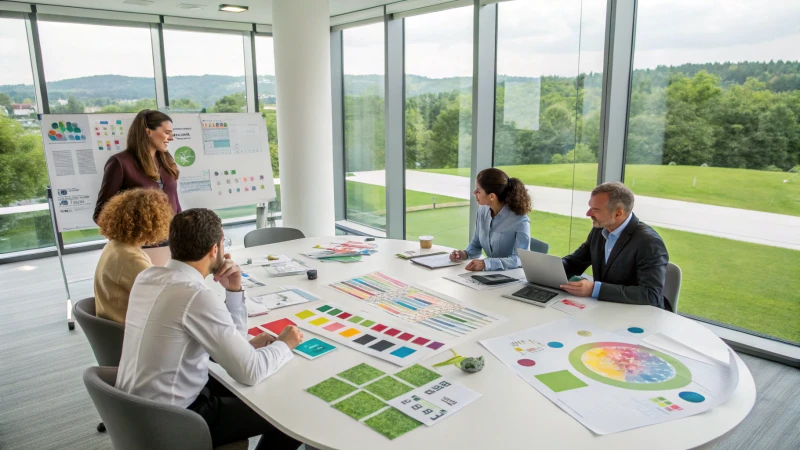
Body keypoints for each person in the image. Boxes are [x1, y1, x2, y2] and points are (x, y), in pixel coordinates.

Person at [116, 208, 304, 450]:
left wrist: (234, 290)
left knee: (249, 387)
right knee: (289, 413)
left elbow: (229, 343)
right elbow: (250, 371)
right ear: (216, 248)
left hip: (135, 411)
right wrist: (285, 343)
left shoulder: (148, 277)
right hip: (175, 421)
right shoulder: (195, 295)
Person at [560, 182, 670, 310]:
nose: (588, 213)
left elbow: (651, 295)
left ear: (618, 213)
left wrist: (594, 289)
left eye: (596, 210)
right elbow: (575, 262)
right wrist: (549, 268)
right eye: (590, 207)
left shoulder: (649, 242)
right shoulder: (599, 230)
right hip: (606, 309)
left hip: (639, 316)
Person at [93, 188, 173, 324]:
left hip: (113, 325)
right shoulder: (130, 259)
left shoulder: (113, 247)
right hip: (130, 331)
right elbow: (166, 296)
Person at [93, 109, 181, 224]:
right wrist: (132, 234)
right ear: (149, 132)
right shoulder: (120, 162)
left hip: (171, 239)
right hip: (138, 240)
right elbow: (101, 214)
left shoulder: (167, 161)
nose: (171, 138)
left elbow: (175, 204)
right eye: (167, 133)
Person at [449, 168, 532, 271]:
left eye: (478, 191)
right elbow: (476, 243)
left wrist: (486, 264)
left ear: (492, 196)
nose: (474, 193)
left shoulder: (520, 220)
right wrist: (464, 254)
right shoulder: (482, 210)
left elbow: (520, 259)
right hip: (489, 276)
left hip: (511, 278)